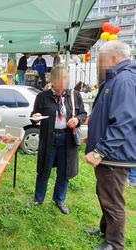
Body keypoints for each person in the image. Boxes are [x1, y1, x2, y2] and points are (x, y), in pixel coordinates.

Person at [85, 41, 136, 250]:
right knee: (104, 193)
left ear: (113, 59)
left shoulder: (123, 80)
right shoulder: (116, 79)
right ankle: (105, 230)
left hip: (115, 155)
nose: (100, 65)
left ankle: (115, 244)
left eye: (101, 60)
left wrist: (100, 151)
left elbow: (123, 122)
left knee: (113, 201)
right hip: (111, 153)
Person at [29, 64, 87, 214]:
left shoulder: (74, 95)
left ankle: (59, 200)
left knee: (64, 171)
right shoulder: (42, 96)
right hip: (49, 137)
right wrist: (35, 118)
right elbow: (35, 115)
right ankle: (38, 198)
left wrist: (77, 120)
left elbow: (83, 114)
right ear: (53, 80)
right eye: (60, 79)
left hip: (67, 139)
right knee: (44, 169)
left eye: (66, 78)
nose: (64, 82)